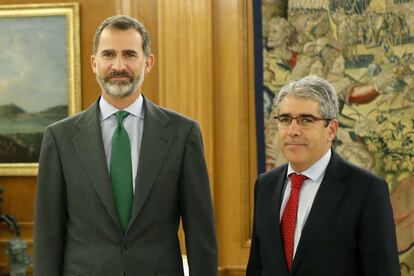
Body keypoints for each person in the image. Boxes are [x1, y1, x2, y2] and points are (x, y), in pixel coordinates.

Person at [34, 15, 217, 276]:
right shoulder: (59, 138)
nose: (118, 65)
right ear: (94, 63)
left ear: (148, 62)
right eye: (108, 54)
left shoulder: (183, 133)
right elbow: (47, 238)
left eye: (130, 54)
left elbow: (201, 234)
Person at [247, 76, 400, 276]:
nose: (293, 131)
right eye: (285, 119)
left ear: (332, 130)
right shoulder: (265, 185)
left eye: (306, 120)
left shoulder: (366, 190)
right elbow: (257, 268)